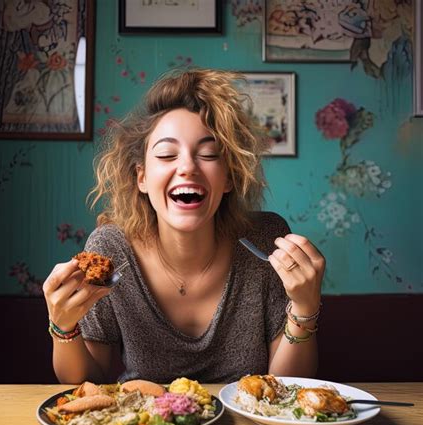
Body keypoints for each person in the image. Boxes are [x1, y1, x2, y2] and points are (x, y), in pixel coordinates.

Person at [43, 68, 325, 384]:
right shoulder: (110, 249)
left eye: (208, 154)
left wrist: (305, 306)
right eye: (166, 154)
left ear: (229, 177)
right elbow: (84, 380)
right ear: (142, 177)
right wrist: (62, 326)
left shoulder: (265, 239)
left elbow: (288, 385)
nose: (188, 167)